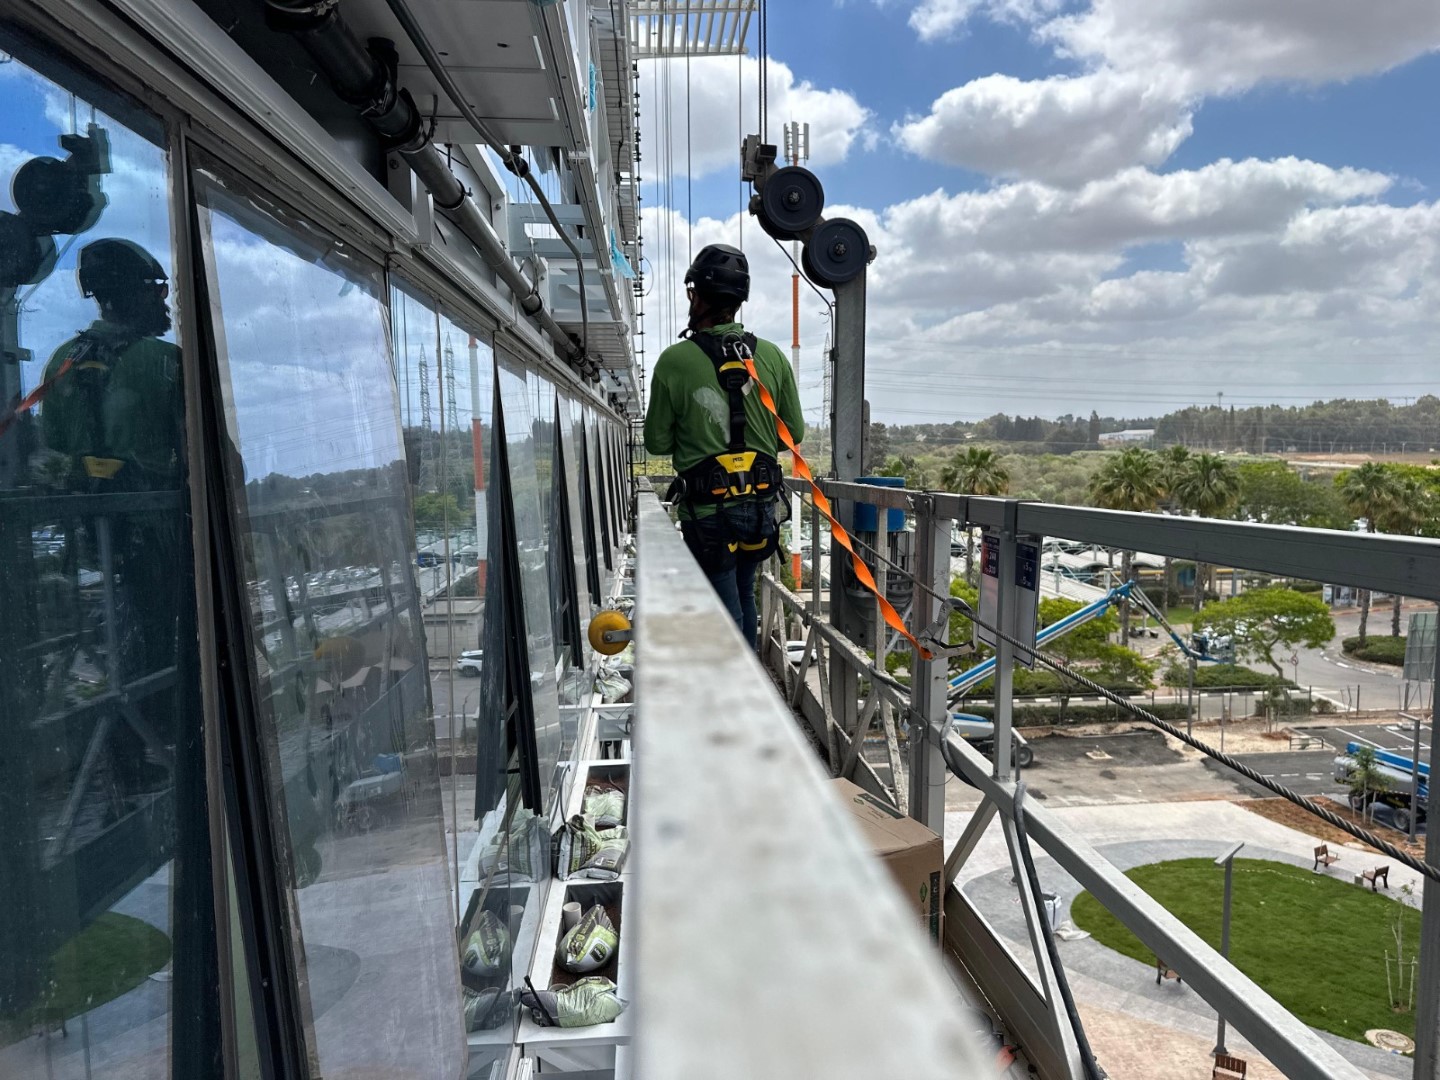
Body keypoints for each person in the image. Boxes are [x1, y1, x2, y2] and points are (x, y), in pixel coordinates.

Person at [643, 244, 804, 648]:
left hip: (709, 512)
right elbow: (794, 433)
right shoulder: (771, 357)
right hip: (761, 508)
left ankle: (740, 691)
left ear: (695, 295)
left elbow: (657, 442)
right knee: (744, 593)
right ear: (738, 301)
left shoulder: (674, 361)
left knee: (724, 607)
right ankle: (751, 678)